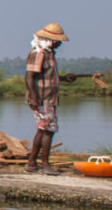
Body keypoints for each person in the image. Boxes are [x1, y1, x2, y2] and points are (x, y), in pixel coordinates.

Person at [24, 22, 76, 173]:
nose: (60, 44)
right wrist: (34, 98)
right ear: (51, 40)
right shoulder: (38, 53)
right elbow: (29, 76)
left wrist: (65, 78)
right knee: (48, 130)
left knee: (43, 130)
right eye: (58, 41)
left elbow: (47, 76)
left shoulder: (49, 54)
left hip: (48, 98)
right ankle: (45, 164)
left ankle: (32, 163)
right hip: (41, 99)